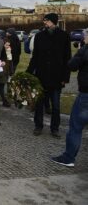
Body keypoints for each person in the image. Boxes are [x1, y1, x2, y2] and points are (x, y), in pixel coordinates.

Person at [27, 13, 71, 138]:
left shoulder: (64, 36)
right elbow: (35, 57)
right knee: (39, 104)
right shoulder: (40, 36)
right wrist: (28, 73)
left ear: (53, 21)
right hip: (41, 76)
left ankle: (54, 128)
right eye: (44, 21)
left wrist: (65, 77)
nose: (44, 23)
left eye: (46, 21)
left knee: (56, 106)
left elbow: (67, 58)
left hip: (57, 77)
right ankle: (38, 126)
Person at [51, 29, 88, 167]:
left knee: (76, 126)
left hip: (86, 94)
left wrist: (82, 50)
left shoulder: (85, 50)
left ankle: (68, 157)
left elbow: (72, 65)